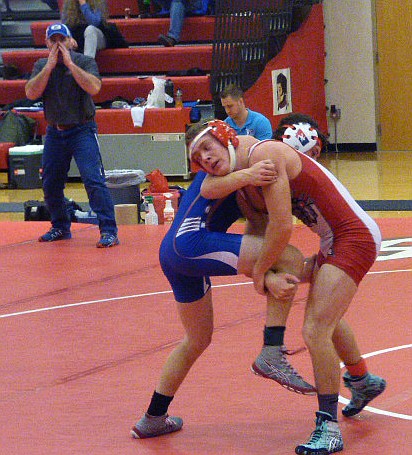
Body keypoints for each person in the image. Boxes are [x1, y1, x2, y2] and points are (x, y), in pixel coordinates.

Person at [188, 118, 387, 454]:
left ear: (226, 138)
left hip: (354, 237)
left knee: (315, 329)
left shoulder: (266, 154)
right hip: (333, 239)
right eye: (198, 157)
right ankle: (363, 381)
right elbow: (259, 227)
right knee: (327, 316)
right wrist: (267, 273)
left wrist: (259, 272)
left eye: (208, 148)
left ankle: (329, 427)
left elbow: (281, 228)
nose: (206, 159)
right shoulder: (244, 181)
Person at [25, 23, 119, 248]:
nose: (58, 45)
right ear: (47, 43)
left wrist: (69, 64)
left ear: (71, 42)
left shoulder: (84, 61)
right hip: (55, 131)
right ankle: (60, 226)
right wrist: (48, 68)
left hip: (82, 129)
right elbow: (30, 93)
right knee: (50, 182)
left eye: (62, 40)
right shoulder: (41, 65)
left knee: (93, 180)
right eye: (53, 40)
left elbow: (95, 87)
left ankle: (108, 230)